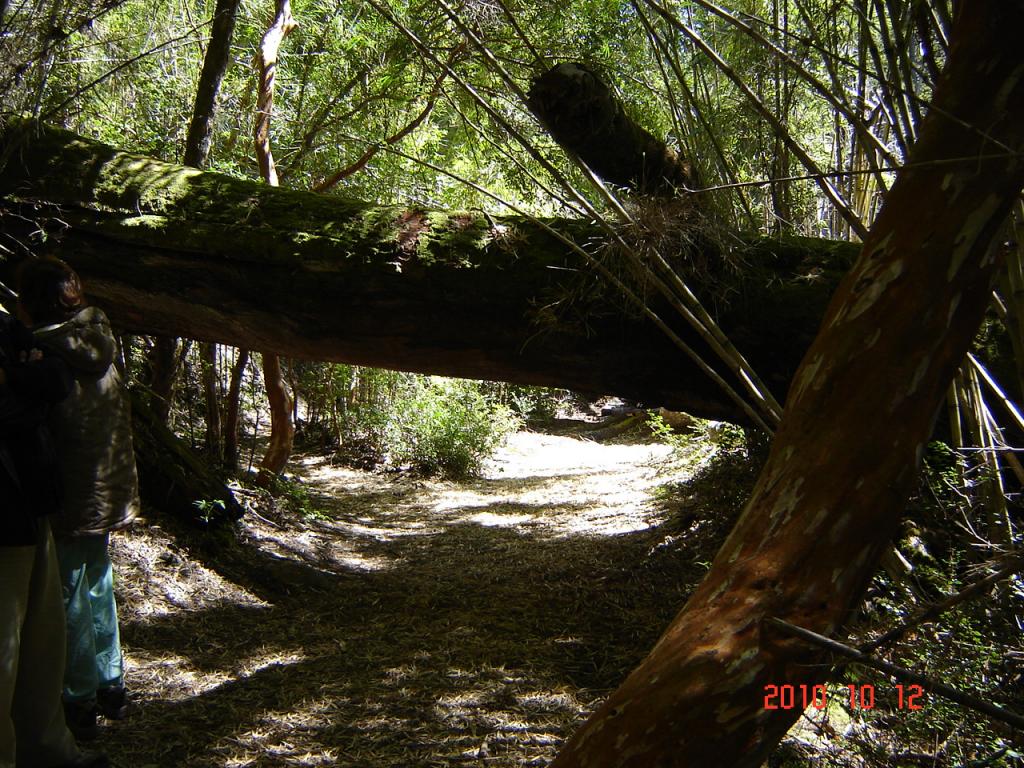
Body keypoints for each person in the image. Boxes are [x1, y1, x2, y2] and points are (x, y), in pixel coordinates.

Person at [16, 259, 140, 742]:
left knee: (69, 593)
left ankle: (79, 698)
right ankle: (111, 686)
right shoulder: (98, 336)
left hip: (70, 491)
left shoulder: (45, 352)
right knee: (97, 581)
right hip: (106, 488)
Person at [0, 303, 109, 768]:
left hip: (30, 497)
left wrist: (16, 378)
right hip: (5, 509)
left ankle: (47, 750)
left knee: (41, 643)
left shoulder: (8, 324)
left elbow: (56, 382)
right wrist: (23, 379)